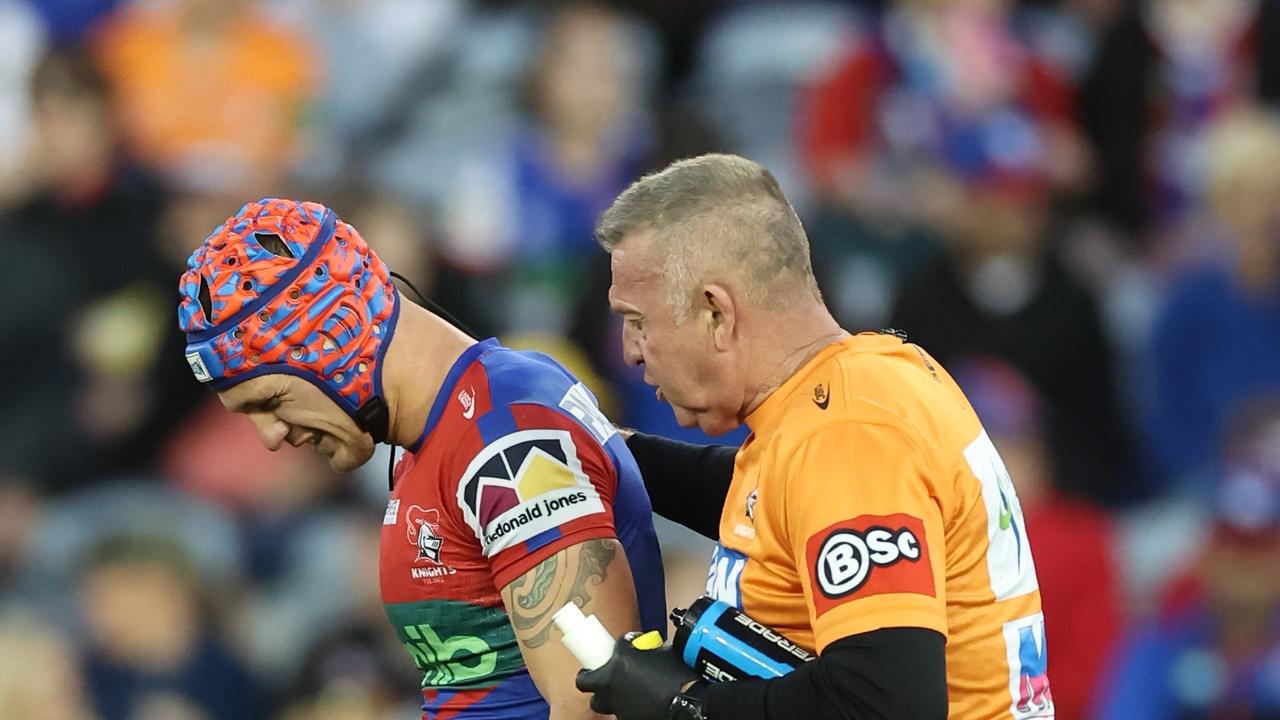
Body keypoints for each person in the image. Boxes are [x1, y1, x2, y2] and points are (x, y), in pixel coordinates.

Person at [575, 154, 1053, 719]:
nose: (631, 351)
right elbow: (779, 502)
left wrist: (684, 705)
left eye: (638, 320)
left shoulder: (846, 433)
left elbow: (887, 705)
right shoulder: (863, 381)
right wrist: (609, 455)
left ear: (716, 314)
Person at [176, 198, 667, 718]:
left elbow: (594, 706)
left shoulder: (505, 438)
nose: (270, 437)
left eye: (270, 401)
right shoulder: (447, 433)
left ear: (333, 338)